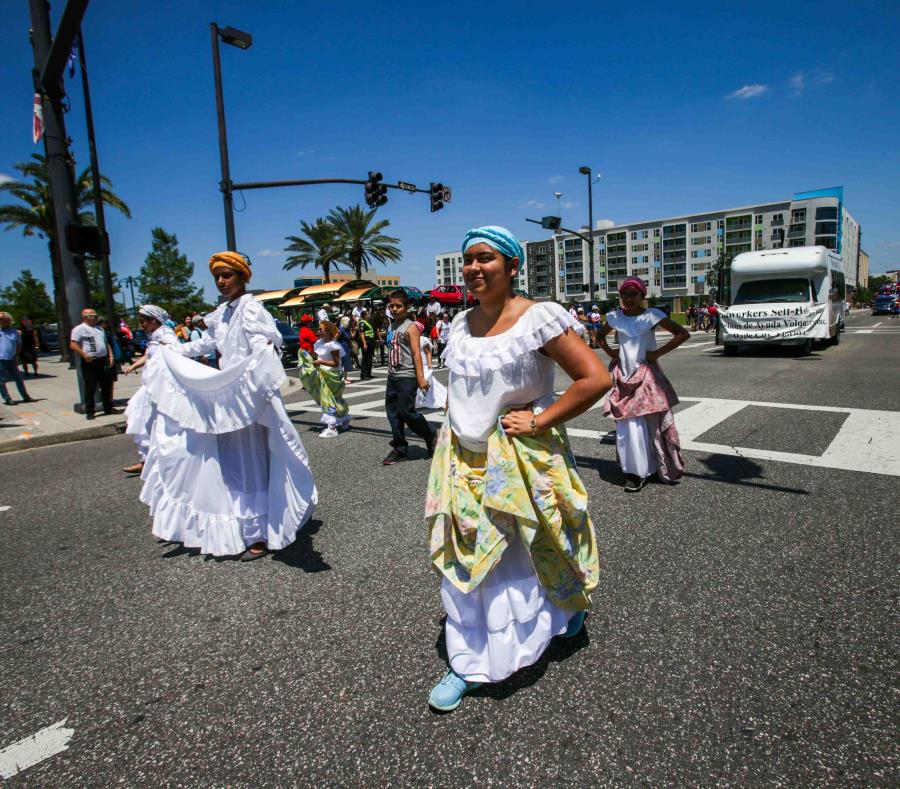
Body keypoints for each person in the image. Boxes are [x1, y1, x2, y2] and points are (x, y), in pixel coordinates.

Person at [426, 226, 611, 713]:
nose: (473, 268)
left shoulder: (539, 318)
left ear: (512, 266)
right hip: (464, 460)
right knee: (473, 556)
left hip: (519, 457)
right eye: (467, 260)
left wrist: (540, 417)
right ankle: (470, 660)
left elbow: (595, 378)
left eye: (485, 259)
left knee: (532, 547)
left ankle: (553, 617)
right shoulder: (459, 326)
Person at [136, 251, 317, 559]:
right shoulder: (221, 313)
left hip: (249, 395)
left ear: (242, 277)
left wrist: (260, 363)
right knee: (231, 462)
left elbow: (263, 345)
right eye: (217, 277)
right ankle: (242, 524)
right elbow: (206, 345)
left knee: (252, 461)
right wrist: (173, 350)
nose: (221, 281)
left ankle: (259, 531)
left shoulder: (250, 308)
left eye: (227, 275)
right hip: (227, 399)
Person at [598, 277, 689, 492]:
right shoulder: (614, 317)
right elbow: (599, 336)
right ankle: (634, 471)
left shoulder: (652, 316)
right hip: (624, 374)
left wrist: (656, 353)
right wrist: (613, 354)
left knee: (650, 423)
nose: (628, 299)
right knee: (627, 424)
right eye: (624, 294)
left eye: (633, 294)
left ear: (642, 296)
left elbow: (682, 334)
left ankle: (654, 465)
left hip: (646, 373)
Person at [121, 305, 180, 474]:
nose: (141, 325)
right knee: (141, 423)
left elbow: (175, 355)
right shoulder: (154, 336)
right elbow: (148, 355)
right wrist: (133, 366)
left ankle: (158, 461)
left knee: (154, 425)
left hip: (160, 389)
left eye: (143, 321)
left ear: (154, 320)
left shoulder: (166, 335)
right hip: (149, 388)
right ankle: (146, 459)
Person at [383, 290, 435, 465]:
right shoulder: (391, 326)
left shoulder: (411, 327)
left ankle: (430, 435)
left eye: (399, 306)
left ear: (406, 307)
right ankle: (400, 448)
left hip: (407, 377)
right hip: (393, 376)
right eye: (392, 306)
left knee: (407, 412)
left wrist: (421, 378)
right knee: (392, 413)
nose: (395, 309)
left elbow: (415, 353)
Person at [298, 319, 350, 438]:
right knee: (334, 399)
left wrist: (320, 361)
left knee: (328, 400)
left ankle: (332, 428)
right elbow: (317, 355)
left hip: (332, 375)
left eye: (321, 329)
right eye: (319, 329)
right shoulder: (320, 342)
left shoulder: (333, 345)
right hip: (323, 374)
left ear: (328, 331)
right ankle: (345, 420)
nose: (318, 331)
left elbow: (336, 363)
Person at [70, 307, 115, 420]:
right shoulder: (79, 329)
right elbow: (73, 345)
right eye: (93, 316)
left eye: (95, 316)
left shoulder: (100, 329)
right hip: (90, 361)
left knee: (106, 386)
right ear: (86, 317)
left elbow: (105, 343)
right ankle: (90, 411)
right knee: (90, 387)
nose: (95, 318)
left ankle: (108, 407)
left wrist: (110, 355)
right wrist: (84, 355)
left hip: (103, 360)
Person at [0, 312, 36, 405]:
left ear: (7, 320)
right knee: (1, 381)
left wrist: (16, 355)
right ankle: (7, 398)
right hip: (1, 359)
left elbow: (18, 345)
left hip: (11, 359)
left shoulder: (15, 332)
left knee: (18, 379)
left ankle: (25, 397)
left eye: (1, 319)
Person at [358, 308, 376, 380]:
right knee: (365, 359)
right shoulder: (362, 322)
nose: (368, 315)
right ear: (364, 315)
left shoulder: (367, 322)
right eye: (367, 314)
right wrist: (364, 344)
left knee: (369, 358)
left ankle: (368, 373)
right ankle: (364, 375)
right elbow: (362, 334)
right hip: (366, 342)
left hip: (371, 341)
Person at [337, 316, 354, 383]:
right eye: (349, 322)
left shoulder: (346, 329)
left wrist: (354, 330)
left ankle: (345, 378)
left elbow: (350, 337)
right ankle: (343, 378)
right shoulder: (341, 329)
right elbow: (335, 338)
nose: (350, 323)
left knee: (346, 362)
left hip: (346, 347)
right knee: (343, 362)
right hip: (342, 347)